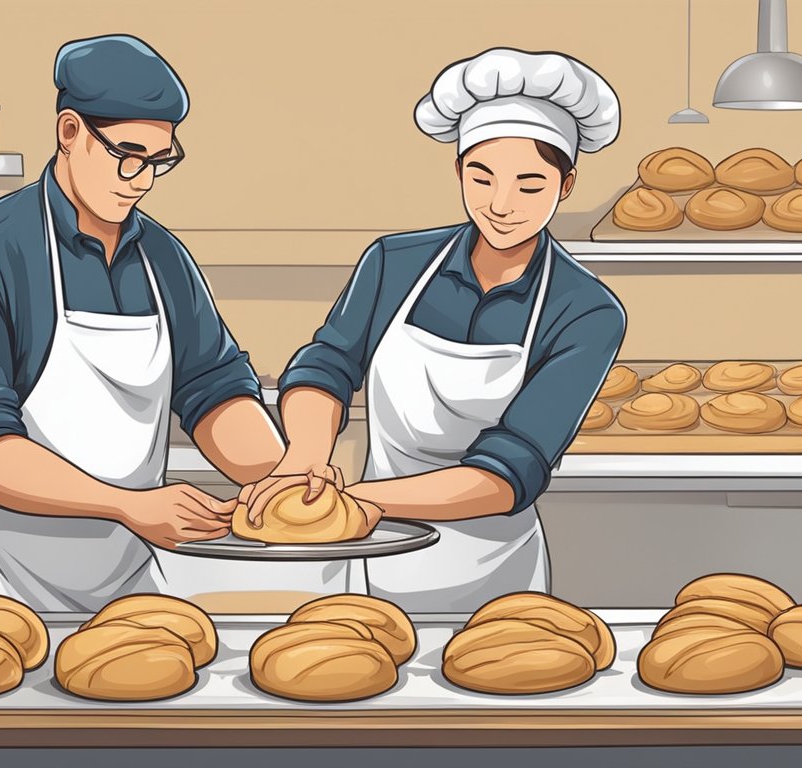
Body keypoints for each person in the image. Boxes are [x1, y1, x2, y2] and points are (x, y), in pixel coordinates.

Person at [0, 35, 343, 611]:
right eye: (127, 154)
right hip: (0, 580)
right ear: (69, 132)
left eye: (158, 161)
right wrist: (127, 504)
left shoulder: (162, 258)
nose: (141, 179)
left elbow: (213, 392)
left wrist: (280, 477)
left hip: (129, 582)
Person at [243, 48, 628, 612]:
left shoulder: (585, 309)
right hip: (372, 559)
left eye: (529, 185)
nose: (501, 205)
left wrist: (355, 499)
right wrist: (304, 453)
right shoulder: (394, 263)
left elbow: (510, 469)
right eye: (481, 177)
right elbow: (326, 366)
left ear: (565, 184)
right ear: (458, 170)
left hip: (494, 575)